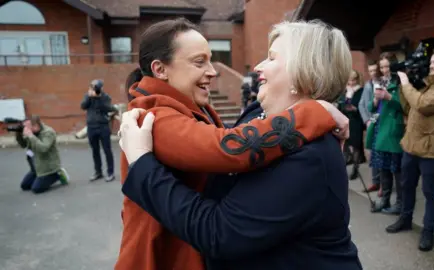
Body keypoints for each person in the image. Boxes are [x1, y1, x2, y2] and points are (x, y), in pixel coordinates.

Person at [119, 19, 362, 270]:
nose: (257, 66)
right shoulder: (152, 116)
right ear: (160, 69)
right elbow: (226, 147)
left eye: (271, 58)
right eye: (199, 62)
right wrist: (314, 112)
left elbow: (220, 231)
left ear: (305, 71)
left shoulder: (310, 156)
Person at [386, 45, 434, 252]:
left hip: (432, 151)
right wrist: (401, 86)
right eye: (431, 62)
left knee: (431, 193)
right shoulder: (427, 85)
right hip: (411, 145)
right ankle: (405, 220)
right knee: (407, 186)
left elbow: (421, 104)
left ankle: (428, 232)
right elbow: (408, 107)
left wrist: (405, 81)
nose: (431, 66)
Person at [366, 52, 404, 215]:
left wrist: (388, 97)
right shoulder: (380, 81)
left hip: (393, 130)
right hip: (380, 129)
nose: (384, 70)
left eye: (387, 66)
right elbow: (371, 108)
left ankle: (400, 204)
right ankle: (385, 201)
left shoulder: (401, 82)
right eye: (382, 67)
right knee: (383, 168)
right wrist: (374, 101)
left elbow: (405, 106)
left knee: (397, 170)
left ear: (394, 66)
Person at [16, 115, 69, 193]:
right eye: (25, 127)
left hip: (48, 168)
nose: (27, 129)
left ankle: (57, 174)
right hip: (36, 167)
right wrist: (18, 134)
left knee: (36, 189)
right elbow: (23, 145)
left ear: (36, 125)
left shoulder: (48, 132)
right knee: (24, 186)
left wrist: (30, 136)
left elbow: (43, 148)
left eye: (29, 126)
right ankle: (40, 176)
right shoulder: (31, 132)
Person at [80, 79, 117, 182]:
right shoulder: (87, 96)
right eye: (92, 87)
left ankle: (110, 173)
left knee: (107, 150)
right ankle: (98, 172)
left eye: (96, 88)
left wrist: (99, 98)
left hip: (103, 127)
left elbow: (109, 108)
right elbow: (83, 106)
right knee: (95, 151)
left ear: (101, 88)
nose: (94, 89)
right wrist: (89, 96)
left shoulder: (105, 97)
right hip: (91, 127)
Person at [359, 60, 382, 193]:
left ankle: (384, 185)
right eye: (371, 71)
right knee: (373, 153)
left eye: (375, 70)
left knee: (382, 154)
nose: (373, 73)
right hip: (373, 121)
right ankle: (375, 182)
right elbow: (362, 104)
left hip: (383, 120)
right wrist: (367, 121)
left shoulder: (384, 83)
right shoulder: (368, 85)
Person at [339, 70, 365, 180]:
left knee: (355, 146)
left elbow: (363, 105)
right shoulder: (345, 90)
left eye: (353, 80)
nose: (351, 82)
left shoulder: (360, 90)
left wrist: (355, 108)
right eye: (350, 80)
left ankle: (355, 168)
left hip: (356, 120)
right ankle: (344, 165)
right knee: (345, 144)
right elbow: (341, 103)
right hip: (345, 119)